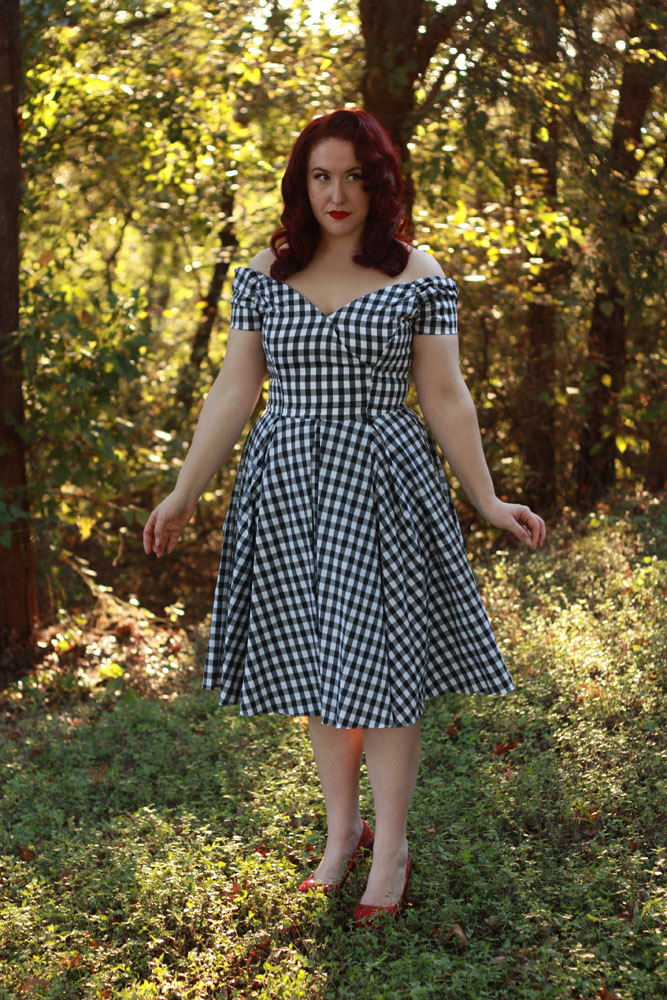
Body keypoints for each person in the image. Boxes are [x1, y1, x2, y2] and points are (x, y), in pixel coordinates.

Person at [143, 108, 546, 926]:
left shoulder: (416, 273)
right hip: (286, 485)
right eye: (321, 176)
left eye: (355, 176)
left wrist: (485, 497)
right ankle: (341, 834)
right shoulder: (267, 272)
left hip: (383, 484)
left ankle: (389, 847)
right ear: (301, 184)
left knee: (384, 667)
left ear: (379, 183)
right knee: (319, 664)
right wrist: (184, 490)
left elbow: (444, 394)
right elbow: (234, 389)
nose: (338, 193)